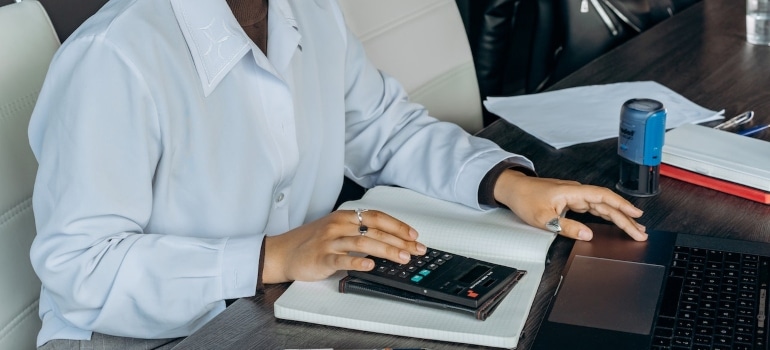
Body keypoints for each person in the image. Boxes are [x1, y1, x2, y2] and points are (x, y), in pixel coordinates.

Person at [28, 0, 647, 349]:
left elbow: (380, 127)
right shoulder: (113, 58)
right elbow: (81, 267)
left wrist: (508, 184)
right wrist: (268, 257)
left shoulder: (309, 11)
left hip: (280, 308)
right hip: (135, 339)